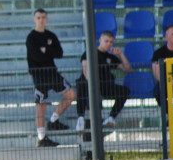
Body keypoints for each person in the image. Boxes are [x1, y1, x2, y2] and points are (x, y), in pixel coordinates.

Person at [26, 8, 76, 148]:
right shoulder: (31, 37)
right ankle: (41, 138)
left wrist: (46, 50)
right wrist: (48, 52)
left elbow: (59, 53)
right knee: (41, 104)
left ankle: (53, 121)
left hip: (52, 72)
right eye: (38, 17)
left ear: (47, 19)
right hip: (39, 74)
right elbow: (36, 56)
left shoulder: (51, 35)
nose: (41, 20)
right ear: (34, 19)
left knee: (71, 95)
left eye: (43, 17)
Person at [74, 30, 131, 134]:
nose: (109, 44)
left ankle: (111, 118)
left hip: (105, 86)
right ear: (100, 40)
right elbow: (86, 71)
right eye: (106, 41)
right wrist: (94, 87)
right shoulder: (90, 53)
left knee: (124, 91)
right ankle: (80, 119)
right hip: (90, 85)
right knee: (82, 84)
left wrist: (121, 54)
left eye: (111, 42)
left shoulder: (110, 57)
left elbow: (127, 69)